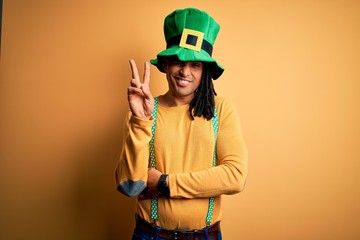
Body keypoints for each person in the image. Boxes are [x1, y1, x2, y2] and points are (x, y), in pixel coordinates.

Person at [115, 7, 248, 240]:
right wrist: (140, 121)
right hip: (150, 235)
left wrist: (164, 182)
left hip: (204, 235)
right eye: (178, 61)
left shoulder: (221, 110)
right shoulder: (143, 113)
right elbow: (130, 186)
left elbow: (235, 176)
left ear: (205, 70)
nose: (185, 71)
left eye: (195, 64)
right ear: (166, 64)